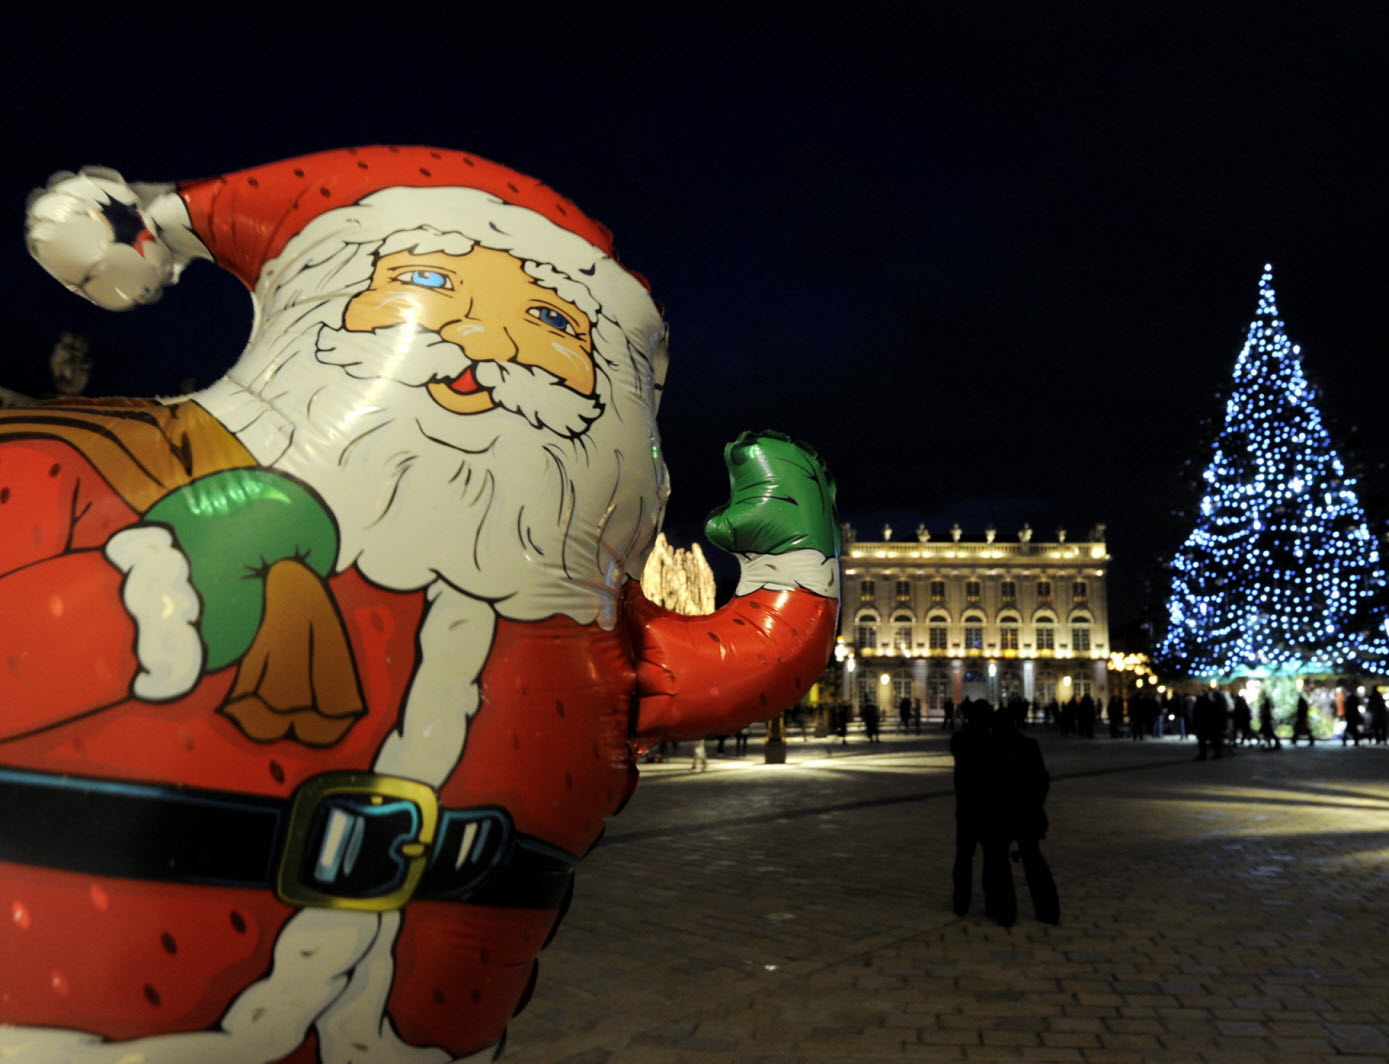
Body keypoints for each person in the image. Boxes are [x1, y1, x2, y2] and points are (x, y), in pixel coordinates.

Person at [2, 149, 841, 1062]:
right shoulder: (102, 465)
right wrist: (136, 594)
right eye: (433, 283)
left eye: (551, 318)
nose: (490, 338)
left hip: (428, 1018)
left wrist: (799, 561)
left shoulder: (587, 615)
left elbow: (736, 664)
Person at [992, 704, 1059, 924]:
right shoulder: (1030, 745)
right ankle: (1048, 910)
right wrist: (1036, 804)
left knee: (1001, 865)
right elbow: (1042, 780)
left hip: (1002, 812)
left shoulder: (992, 747)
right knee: (1033, 860)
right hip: (1028, 811)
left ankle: (1006, 911)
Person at [950, 700, 1014, 925]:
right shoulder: (995, 742)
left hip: (967, 806)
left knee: (964, 856)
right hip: (990, 808)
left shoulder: (960, 740)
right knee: (991, 858)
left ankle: (961, 901)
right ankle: (992, 904)